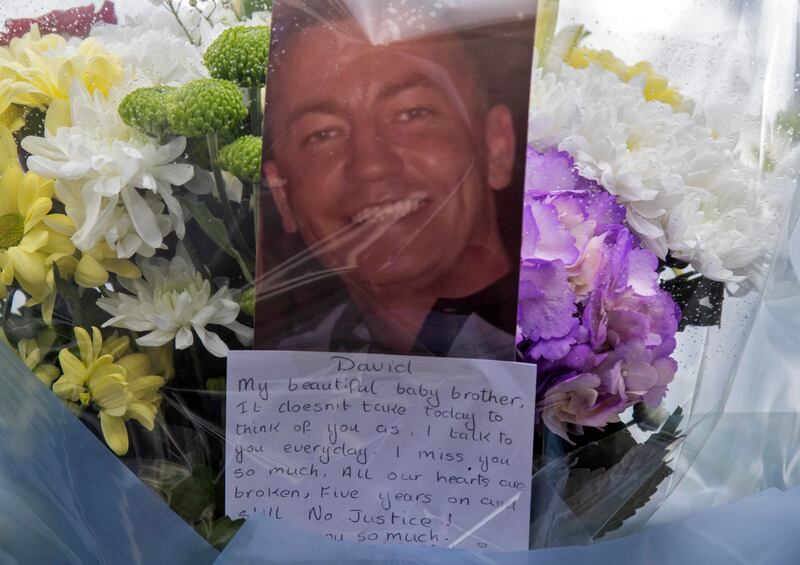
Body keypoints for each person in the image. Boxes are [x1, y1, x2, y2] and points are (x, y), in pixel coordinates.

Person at [257, 1, 531, 360]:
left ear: (497, 146)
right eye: (323, 134)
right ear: (281, 195)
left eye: (412, 113)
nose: (370, 165)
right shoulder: (265, 380)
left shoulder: (585, 371)